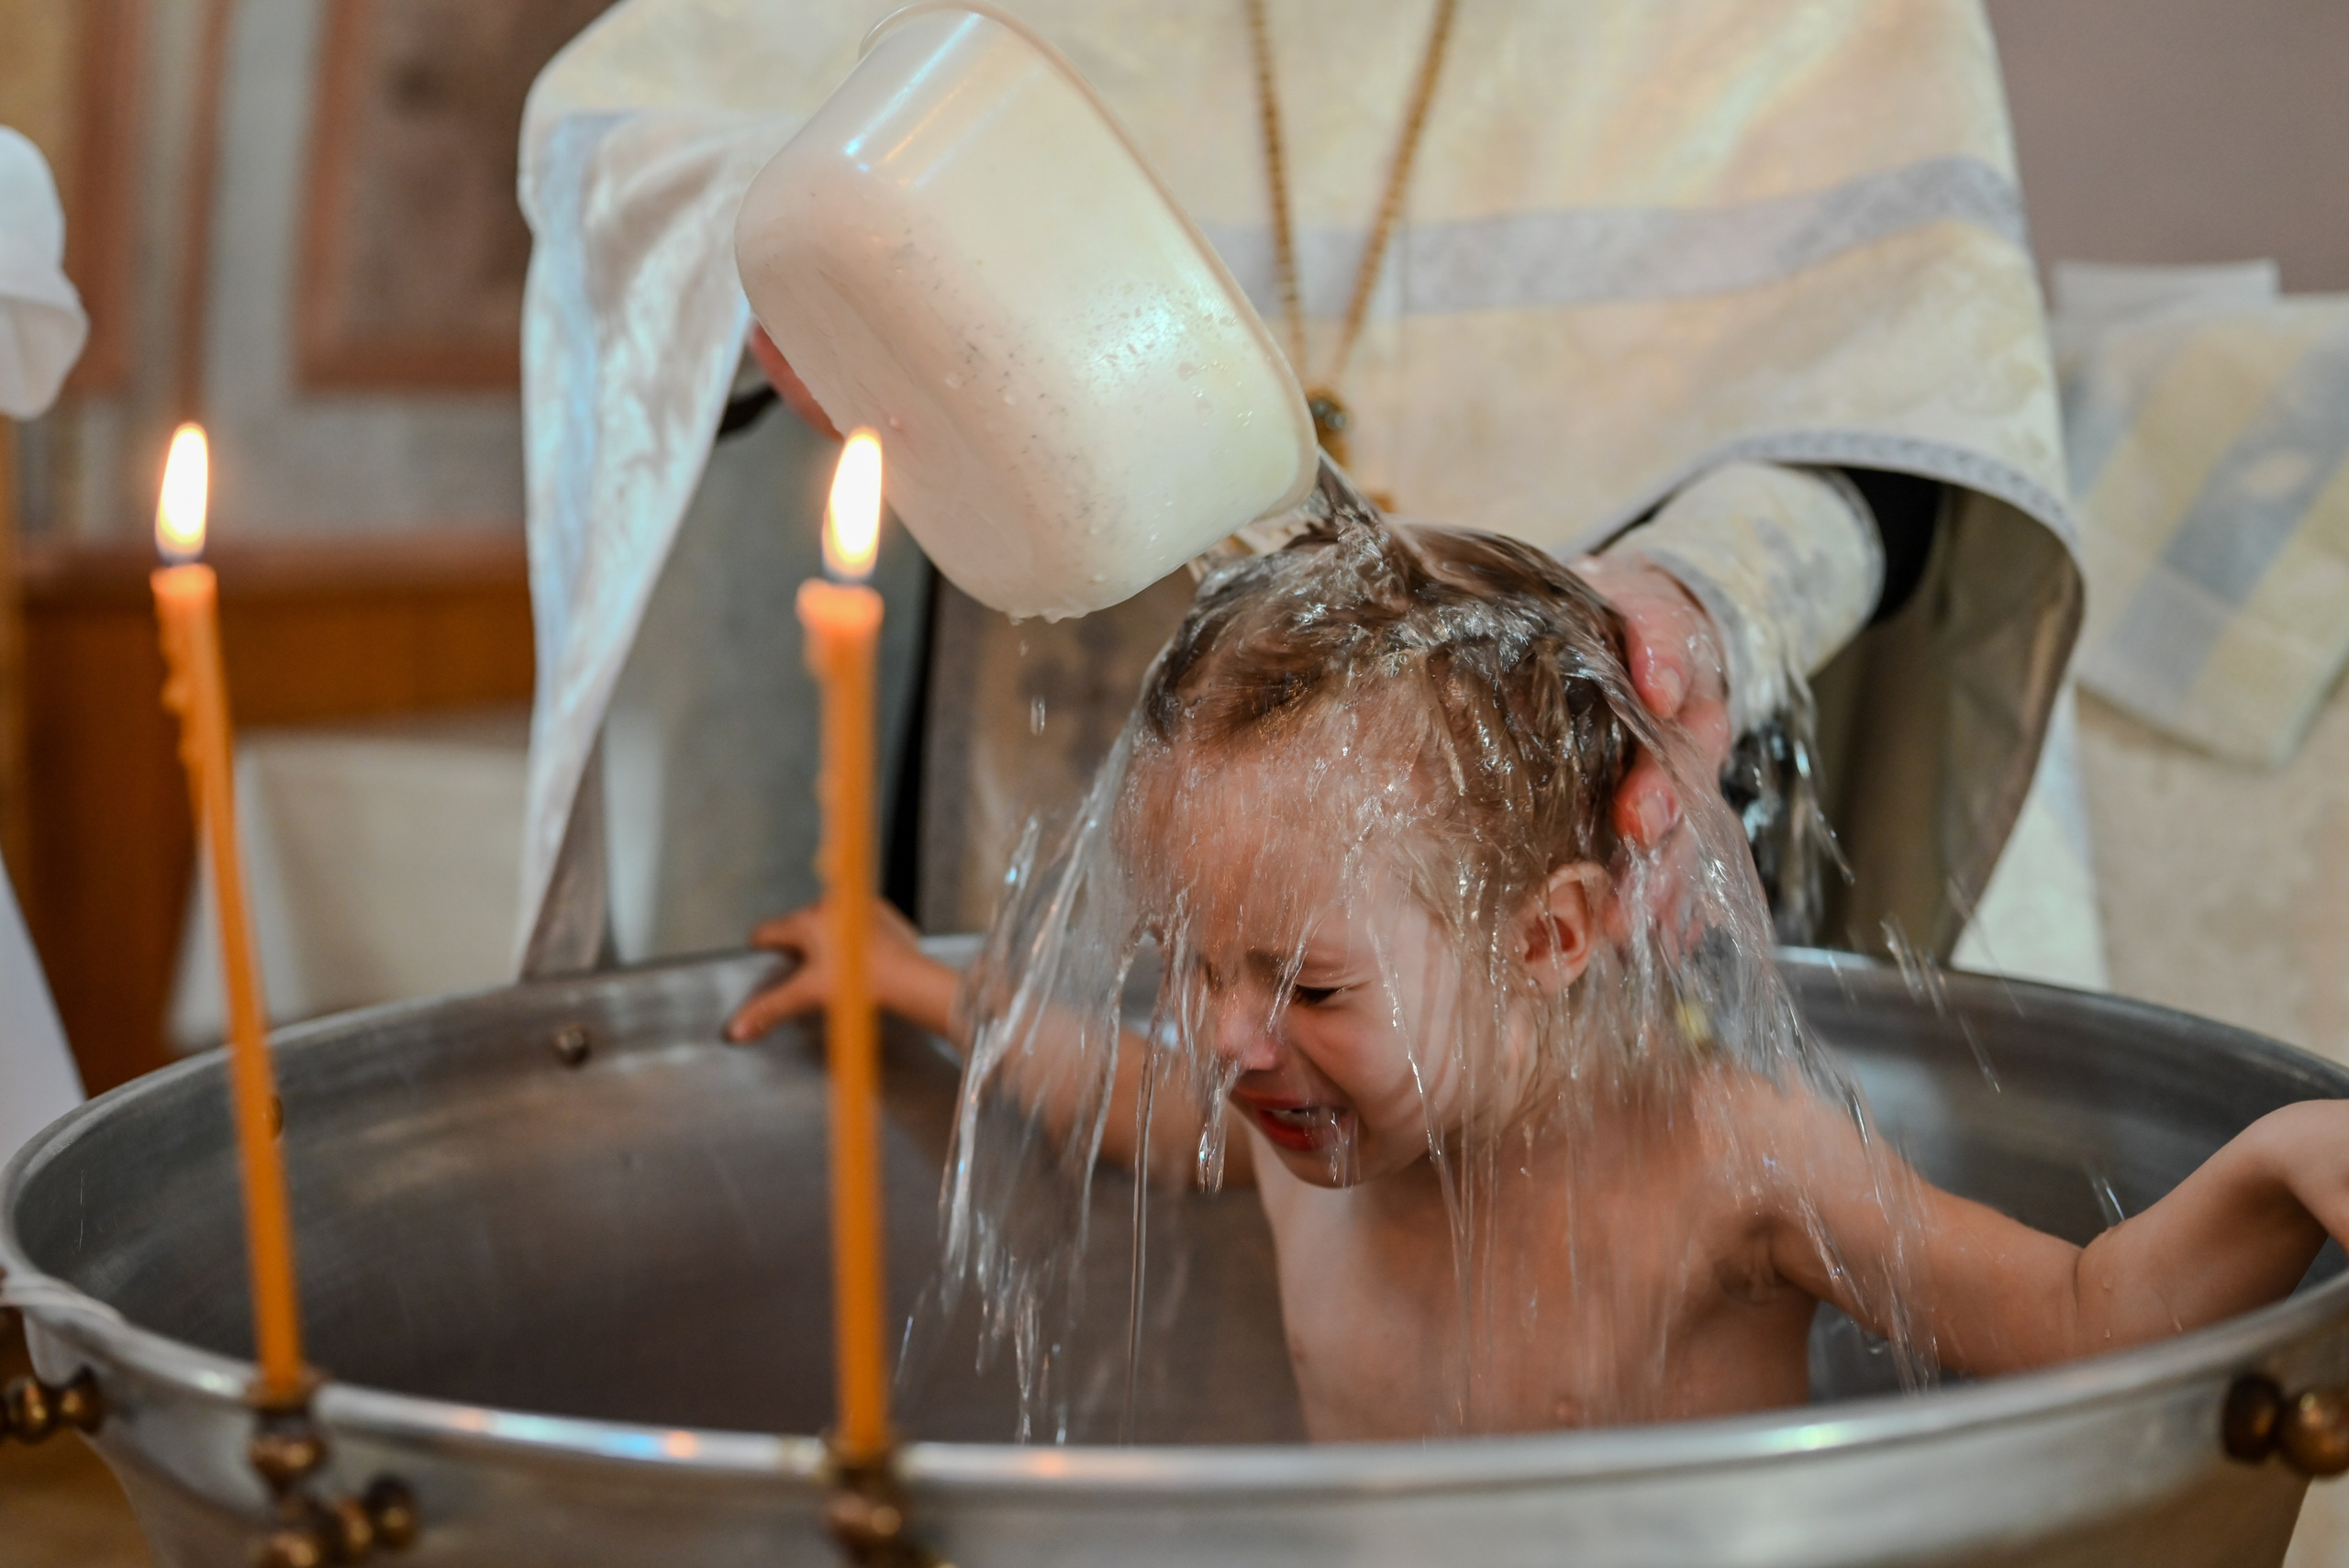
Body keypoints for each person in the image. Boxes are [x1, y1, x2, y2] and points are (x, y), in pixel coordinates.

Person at [516, 0, 2082, 980]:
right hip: (1067, 832)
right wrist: (792, 246)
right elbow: (619, 138)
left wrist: (1697, 605)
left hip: (1599, 850)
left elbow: (1906, 408)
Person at [729, 516, 2339, 1440]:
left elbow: (2070, 1318)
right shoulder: (1315, 1142)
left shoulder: (1726, 1157)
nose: (1225, 1038)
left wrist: (2278, 1168)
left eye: (1305, 985)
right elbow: (1141, 1101)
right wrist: (941, 997)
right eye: (1186, 965)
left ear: (1554, 935)